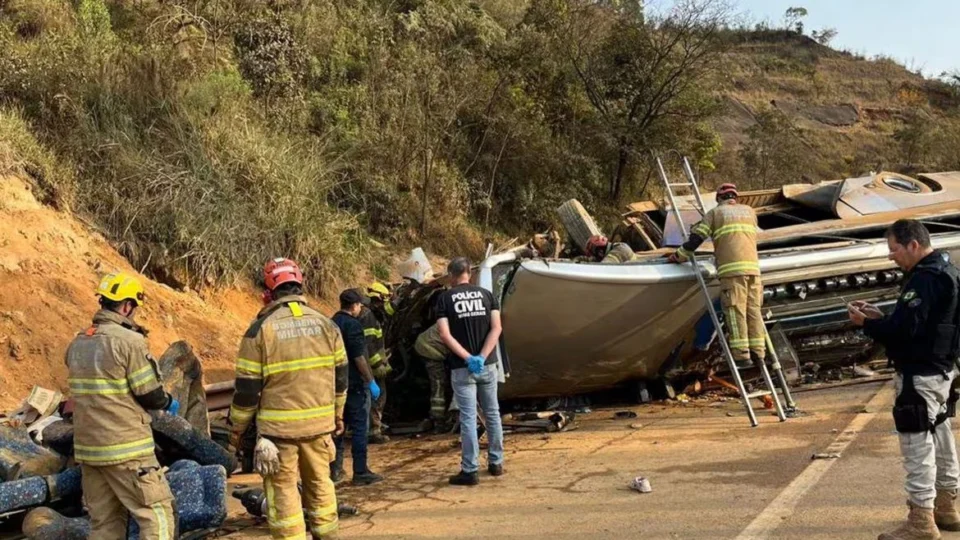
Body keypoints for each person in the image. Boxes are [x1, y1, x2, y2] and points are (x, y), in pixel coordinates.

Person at [848, 220, 960, 540]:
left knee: (916, 446)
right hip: (941, 370)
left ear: (913, 245)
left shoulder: (925, 279)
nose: (891, 256)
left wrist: (866, 324)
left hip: (919, 376)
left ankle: (921, 521)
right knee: (941, 436)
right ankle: (946, 506)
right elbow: (921, 323)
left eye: (894, 249)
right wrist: (882, 317)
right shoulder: (947, 270)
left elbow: (904, 331)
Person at [227, 258, 347, 540]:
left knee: (283, 497)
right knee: (321, 487)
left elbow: (247, 391)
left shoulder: (259, 330)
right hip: (319, 428)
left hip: (278, 435)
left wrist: (237, 431)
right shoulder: (327, 325)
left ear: (268, 293)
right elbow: (341, 378)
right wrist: (338, 414)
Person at [65, 272, 178, 540]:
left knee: (104, 525)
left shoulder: (78, 342)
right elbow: (149, 394)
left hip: (90, 451)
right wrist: (168, 402)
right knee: (157, 515)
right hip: (128, 450)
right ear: (127, 306)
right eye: (134, 307)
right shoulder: (129, 341)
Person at [669, 183, 764, 367]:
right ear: (735, 197)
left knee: (735, 311)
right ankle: (758, 353)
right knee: (753, 310)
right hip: (754, 270)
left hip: (732, 272)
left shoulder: (715, 213)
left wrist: (678, 256)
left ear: (719, 199)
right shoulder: (750, 212)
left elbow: (696, 240)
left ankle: (742, 355)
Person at [436, 257, 504, 485]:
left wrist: (467, 358)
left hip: (461, 367)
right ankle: (496, 462)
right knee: (492, 413)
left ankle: (470, 470)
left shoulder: (445, 299)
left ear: (451, 275)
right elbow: (497, 328)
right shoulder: (487, 295)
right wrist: (482, 356)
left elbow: (444, 334)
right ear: (470, 274)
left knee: (468, 417)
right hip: (488, 364)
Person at [331, 289, 384, 486]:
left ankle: (335, 470)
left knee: (338, 426)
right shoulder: (353, 325)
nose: (361, 307)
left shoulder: (331, 323)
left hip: (336, 385)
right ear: (354, 306)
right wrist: (370, 381)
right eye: (359, 304)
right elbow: (359, 357)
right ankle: (360, 471)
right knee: (360, 428)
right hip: (355, 385)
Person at [360, 283, 392, 444]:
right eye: (383, 301)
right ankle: (374, 430)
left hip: (369, 364)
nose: (383, 305)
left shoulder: (369, 313)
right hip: (371, 366)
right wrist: (378, 364)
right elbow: (368, 344)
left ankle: (373, 425)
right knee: (377, 397)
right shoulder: (368, 316)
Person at [414, 321, 451, 427]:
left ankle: (438, 417)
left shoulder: (456, 317)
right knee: (439, 383)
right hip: (430, 349)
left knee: (439, 383)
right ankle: (438, 419)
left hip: (425, 344)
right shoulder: (461, 324)